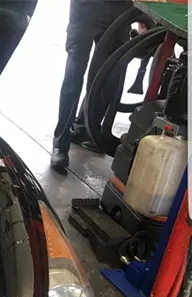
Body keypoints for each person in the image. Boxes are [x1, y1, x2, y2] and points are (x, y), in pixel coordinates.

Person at [51, 0, 132, 173]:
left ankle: (83, 129)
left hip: (121, 8)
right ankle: (61, 143)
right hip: (86, 7)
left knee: (107, 77)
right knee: (74, 75)